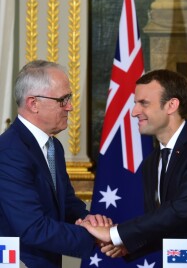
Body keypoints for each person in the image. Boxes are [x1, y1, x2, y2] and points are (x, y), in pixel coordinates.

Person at [80, 69, 187, 260]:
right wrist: (128, 246)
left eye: (143, 103)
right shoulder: (152, 162)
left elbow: (182, 210)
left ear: (171, 105)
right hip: (183, 260)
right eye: (135, 103)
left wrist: (114, 234)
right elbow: (165, 224)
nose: (134, 112)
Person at [0, 60, 107, 268]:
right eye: (63, 100)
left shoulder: (53, 147)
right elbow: (32, 228)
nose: (71, 106)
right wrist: (95, 237)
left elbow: (66, 205)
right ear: (33, 104)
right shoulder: (9, 152)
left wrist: (94, 223)